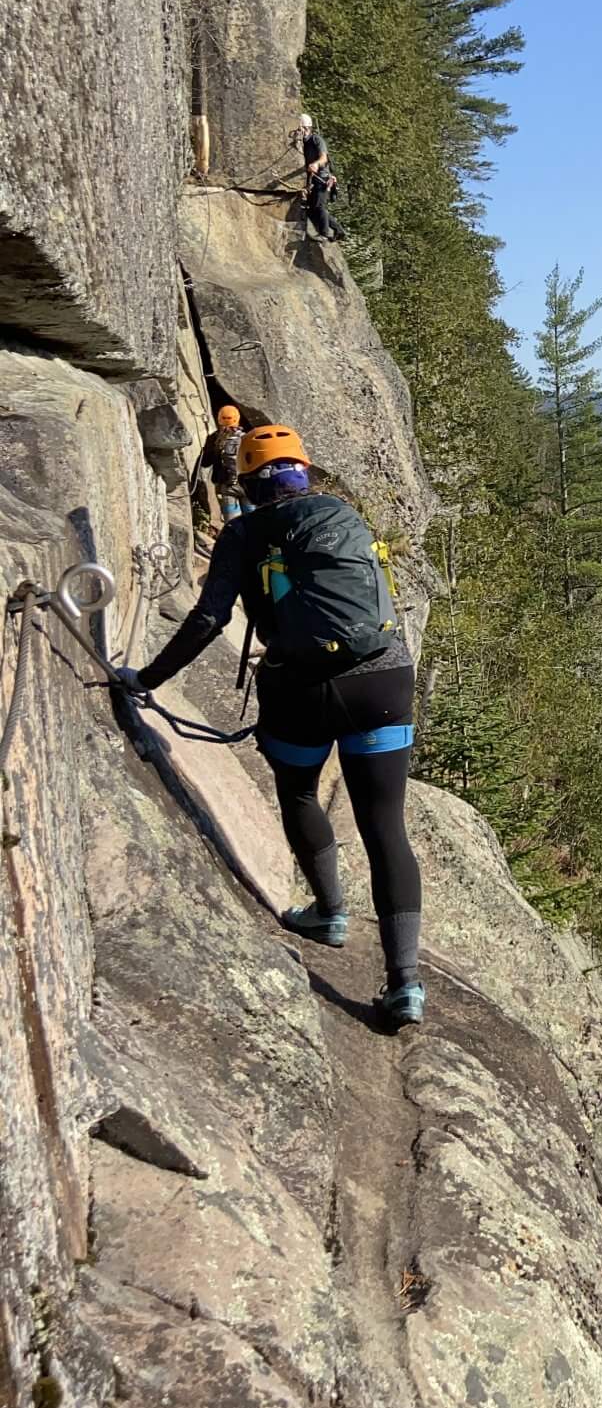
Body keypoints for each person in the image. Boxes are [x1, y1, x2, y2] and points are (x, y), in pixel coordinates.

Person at [119, 423, 425, 1027]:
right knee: (386, 826)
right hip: (382, 681)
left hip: (298, 687)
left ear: (250, 479)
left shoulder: (244, 531)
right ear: (302, 472)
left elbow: (209, 619)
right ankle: (406, 984)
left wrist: (146, 679)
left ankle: (330, 911)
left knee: (301, 789)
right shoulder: (342, 513)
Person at [190, 405, 248, 522]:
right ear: (237, 419)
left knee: (233, 524)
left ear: (219, 420)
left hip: (226, 486)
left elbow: (205, 463)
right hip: (247, 486)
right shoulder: (247, 438)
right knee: (253, 522)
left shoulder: (214, 438)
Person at [293, 111, 343, 242]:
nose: (299, 132)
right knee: (312, 208)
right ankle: (339, 230)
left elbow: (323, 157)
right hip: (314, 179)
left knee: (319, 206)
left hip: (323, 178)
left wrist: (316, 164)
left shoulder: (316, 139)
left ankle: (324, 234)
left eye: (301, 129)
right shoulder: (303, 143)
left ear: (306, 128)